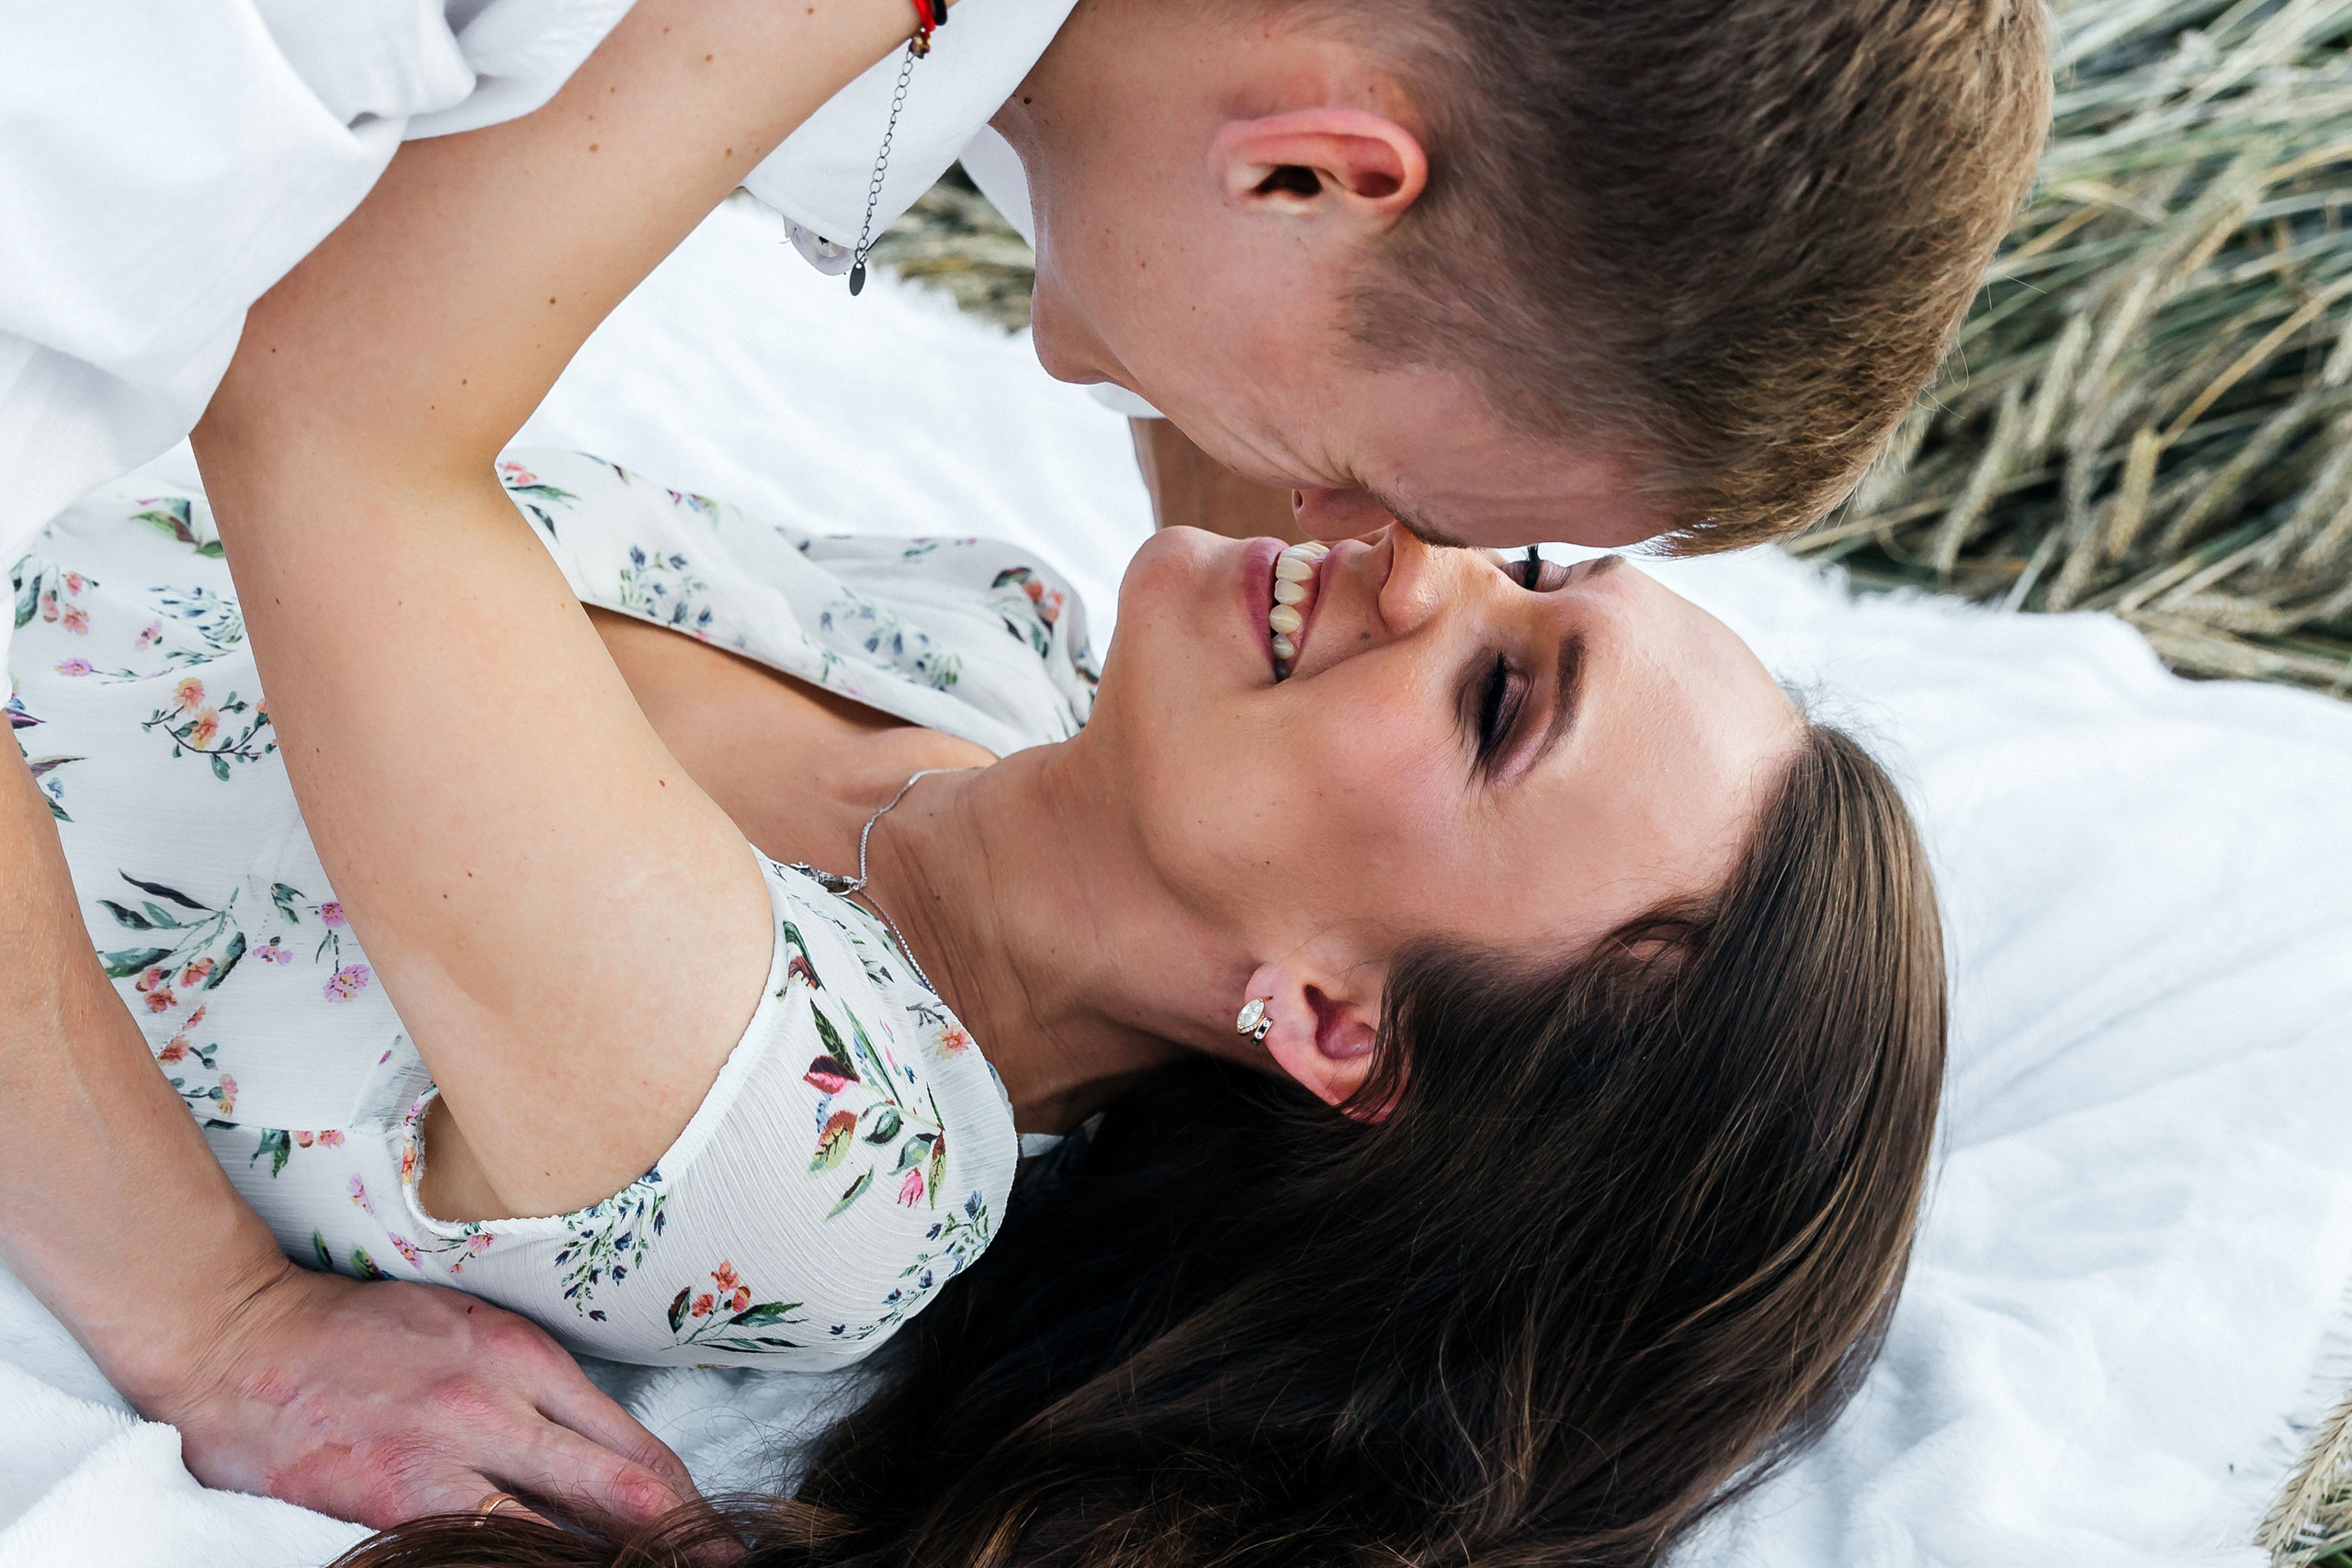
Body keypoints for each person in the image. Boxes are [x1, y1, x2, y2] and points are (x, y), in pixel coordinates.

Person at [0, 0, 2034, 1531]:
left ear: (1331, 1020)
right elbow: (1258, 312)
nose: (1392, 558)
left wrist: (209, 1320)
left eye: (1498, 702)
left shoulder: (846, 1160)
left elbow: (336, 410)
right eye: (1507, 561)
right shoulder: (993, 644)